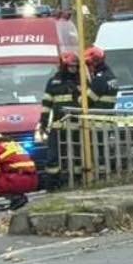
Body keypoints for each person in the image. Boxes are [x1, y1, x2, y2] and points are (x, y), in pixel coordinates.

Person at [42, 51, 82, 189]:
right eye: (71, 67)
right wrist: (43, 122)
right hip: (58, 126)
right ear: (64, 66)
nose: (74, 69)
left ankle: (78, 180)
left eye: (76, 67)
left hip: (77, 125)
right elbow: (46, 104)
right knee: (53, 156)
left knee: (78, 154)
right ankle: (53, 183)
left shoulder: (81, 81)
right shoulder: (53, 82)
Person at [0, 134, 38, 209]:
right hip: (33, 180)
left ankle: (15, 198)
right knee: (6, 170)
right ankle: (20, 196)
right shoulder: (15, 145)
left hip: (17, 181)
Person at [86, 46, 119, 111]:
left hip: (98, 115)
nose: (88, 67)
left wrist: (79, 97)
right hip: (107, 113)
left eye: (88, 64)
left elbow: (88, 100)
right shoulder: (109, 74)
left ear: (94, 63)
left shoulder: (100, 78)